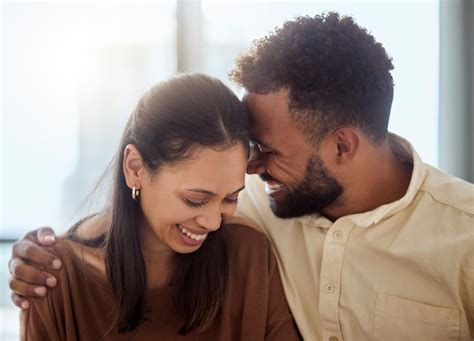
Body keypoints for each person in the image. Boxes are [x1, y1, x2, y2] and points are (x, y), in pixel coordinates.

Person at [9, 12, 474, 341]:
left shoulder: (464, 237)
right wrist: (41, 253)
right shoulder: (253, 198)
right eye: (201, 198)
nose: (250, 171)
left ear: (342, 145)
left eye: (266, 152)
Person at [13, 73, 301, 340]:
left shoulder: (248, 253)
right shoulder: (51, 275)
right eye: (195, 200)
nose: (213, 222)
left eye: (230, 198)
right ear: (135, 168)